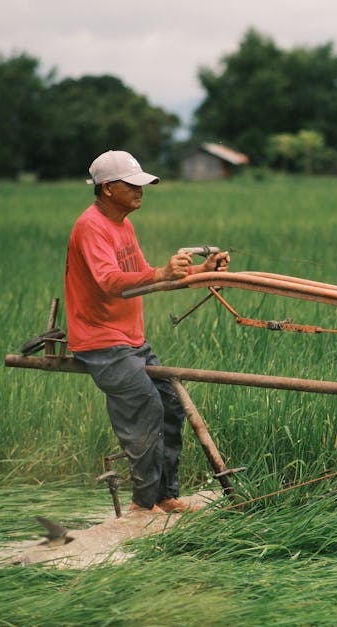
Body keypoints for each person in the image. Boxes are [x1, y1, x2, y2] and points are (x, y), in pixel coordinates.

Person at [64, 150, 230, 514]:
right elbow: (110, 282)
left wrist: (203, 270)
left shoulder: (123, 225)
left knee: (170, 404)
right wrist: (160, 274)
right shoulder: (91, 226)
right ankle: (143, 505)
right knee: (146, 406)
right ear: (108, 189)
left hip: (131, 340)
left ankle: (165, 496)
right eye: (132, 185)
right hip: (101, 342)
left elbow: (147, 281)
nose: (142, 191)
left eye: (143, 184)